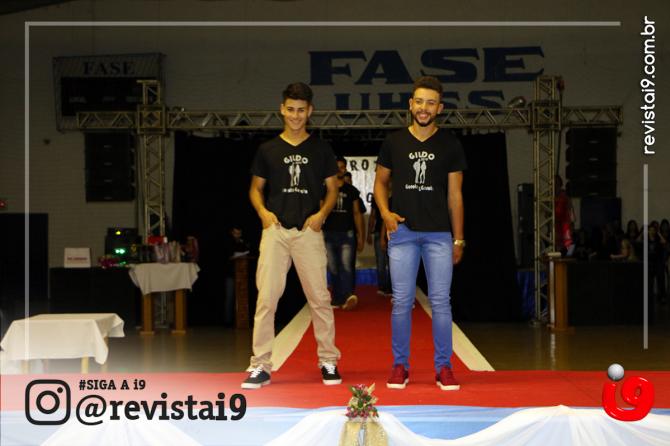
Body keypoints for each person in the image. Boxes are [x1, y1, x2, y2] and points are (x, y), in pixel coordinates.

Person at [243, 82, 342, 389]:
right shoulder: (268, 149)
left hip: (308, 232)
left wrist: (321, 215)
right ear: (282, 110)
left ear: (310, 111)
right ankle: (260, 365)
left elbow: (333, 189)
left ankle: (328, 360)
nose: (296, 116)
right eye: (290, 110)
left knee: (320, 299)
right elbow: (255, 189)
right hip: (275, 231)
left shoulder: (321, 149)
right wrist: (263, 213)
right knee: (266, 300)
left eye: (301, 110)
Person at [373, 75, 467, 391]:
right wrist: (385, 214)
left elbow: (455, 196)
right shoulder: (394, 142)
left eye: (431, 103)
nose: (424, 108)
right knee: (401, 301)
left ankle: (444, 367)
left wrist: (458, 238)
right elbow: (380, 183)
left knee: (441, 302)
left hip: (439, 234)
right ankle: (400, 365)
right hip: (403, 233)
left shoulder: (450, 144)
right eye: (419, 101)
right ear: (410, 104)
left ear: (439, 108)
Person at [323, 167, 364, 310]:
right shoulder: (326, 188)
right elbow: (321, 209)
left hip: (347, 233)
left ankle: (348, 296)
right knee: (333, 266)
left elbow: (357, 213)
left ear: (345, 169)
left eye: (341, 167)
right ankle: (337, 297)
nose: (339, 170)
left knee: (346, 265)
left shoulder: (351, 190)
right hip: (329, 232)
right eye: (336, 166)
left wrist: (361, 235)